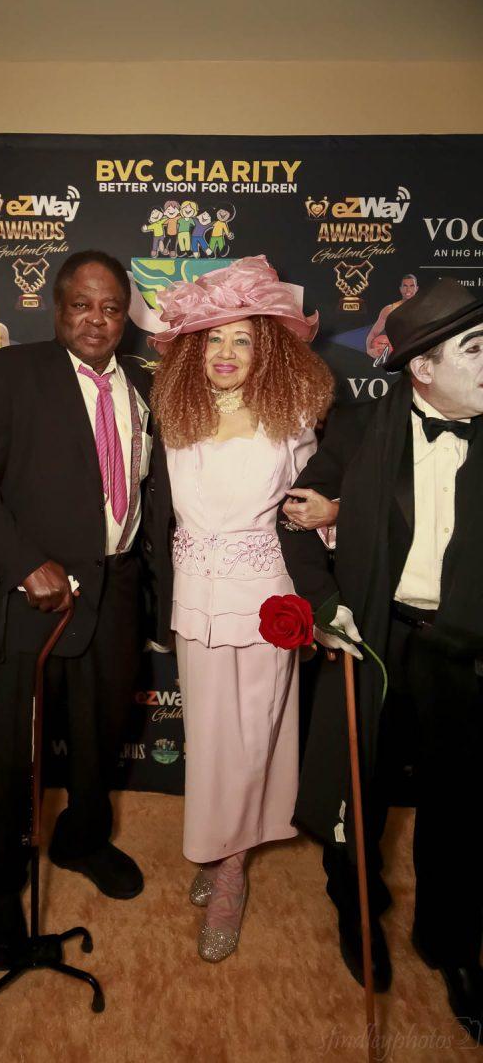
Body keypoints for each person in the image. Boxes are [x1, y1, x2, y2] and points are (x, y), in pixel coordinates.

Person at [0, 250, 159, 970]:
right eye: (82, 306)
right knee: (16, 749)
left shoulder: (143, 385)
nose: (96, 320)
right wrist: (23, 562)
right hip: (33, 595)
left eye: (111, 308)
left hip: (117, 588)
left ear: (126, 317)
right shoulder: (13, 371)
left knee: (101, 731)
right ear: (57, 308)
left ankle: (82, 839)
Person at [278, 278, 483, 1042]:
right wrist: (326, 604)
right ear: (423, 368)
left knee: (459, 803)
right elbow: (293, 519)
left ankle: (449, 940)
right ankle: (357, 910)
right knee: (358, 790)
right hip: (378, 638)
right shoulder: (362, 429)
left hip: (463, 648)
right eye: (475, 348)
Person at [145, 256, 334, 961]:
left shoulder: (294, 419)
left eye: (243, 339)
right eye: (214, 338)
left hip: (265, 599)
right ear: (194, 348)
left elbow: (317, 504)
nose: (226, 352)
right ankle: (220, 840)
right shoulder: (175, 415)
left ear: (269, 349)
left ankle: (229, 868)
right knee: (210, 734)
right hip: (194, 598)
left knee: (256, 734)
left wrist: (332, 512)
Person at [365, 273, 418, 360]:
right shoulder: (389, 310)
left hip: (419, 354)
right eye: (405, 286)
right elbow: (373, 333)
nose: (408, 289)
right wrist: (369, 350)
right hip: (397, 356)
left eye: (412, 286)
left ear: (417, 288)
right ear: (400, 289)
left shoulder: (425, 309)